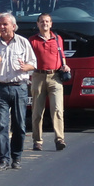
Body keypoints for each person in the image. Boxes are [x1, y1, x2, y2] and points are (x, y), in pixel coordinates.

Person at [0, 12, 34, 169]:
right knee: (1, 125)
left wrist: (25, 67)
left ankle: (16, 157)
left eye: (5, 24)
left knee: (19, 124)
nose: (1, 27)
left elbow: (33, 64)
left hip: (19, 87)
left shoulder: (23, 43)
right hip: (0, 87)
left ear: (13, 26)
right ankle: (3, 159)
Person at [28, 13, 69, 152]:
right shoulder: (32, 41)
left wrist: (65, 66)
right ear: (37, 24)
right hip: (38, 76)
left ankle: (59, 139)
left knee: (57, 109)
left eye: (47, 21)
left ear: (51, 24)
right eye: (42, 21)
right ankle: (37, 141)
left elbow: (62, 55)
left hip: (55, 77)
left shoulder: (57, 39)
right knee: (37, 111)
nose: (44, 24)